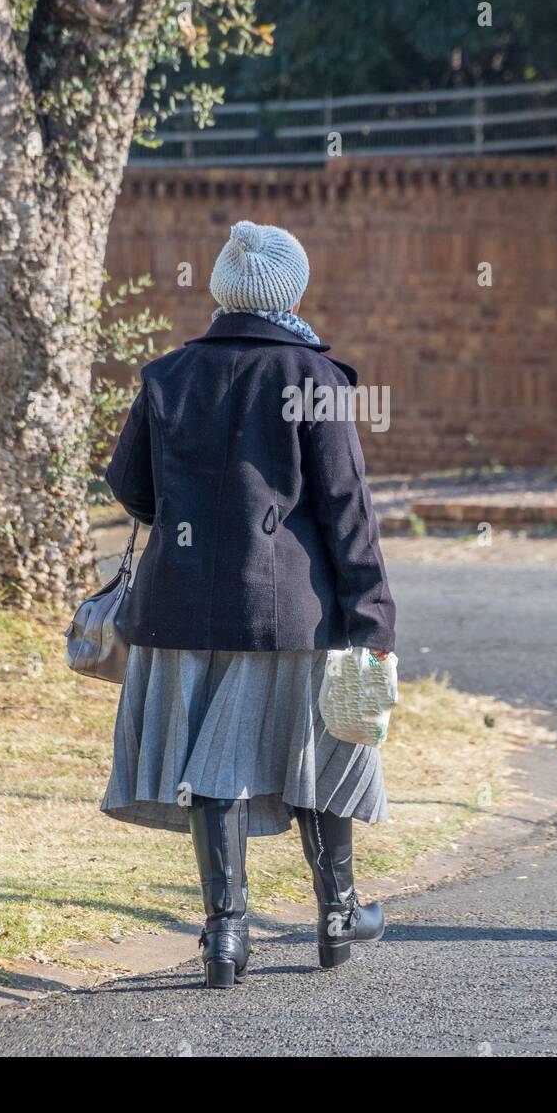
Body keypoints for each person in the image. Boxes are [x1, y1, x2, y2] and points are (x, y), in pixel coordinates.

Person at [100, 219, 396, 988]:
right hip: (287, 612)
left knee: (212, 766)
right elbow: (347, 512)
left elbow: (132, 490)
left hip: (179, 607)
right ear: (289, 291)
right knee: (322, 751)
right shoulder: (314, 379)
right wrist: (372, 619)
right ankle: (339, 913)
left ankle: (224, 937)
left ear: (223, 293)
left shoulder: (167, 376)